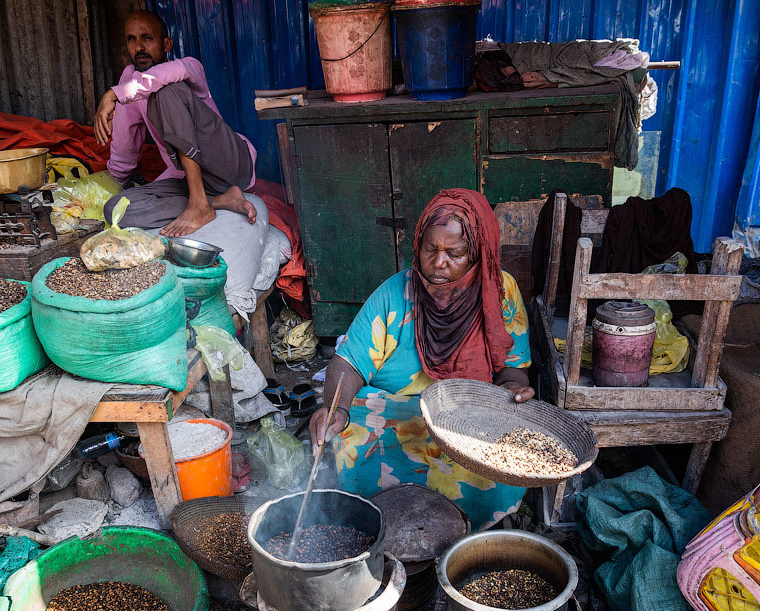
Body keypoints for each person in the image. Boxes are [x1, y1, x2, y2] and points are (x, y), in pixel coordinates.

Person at [309, 189, 534, 528]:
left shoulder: (502, 293)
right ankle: (386, 520)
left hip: (470, 418)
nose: (439, 261)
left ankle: (468, 527)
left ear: (477, 252)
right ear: (418, 245)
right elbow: (349, 361)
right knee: (354, 423)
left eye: (454, 253)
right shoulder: (394, 292)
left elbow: (513, 369)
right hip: (398, 413)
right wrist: (336, 408)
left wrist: (514, 392)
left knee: (511, 445)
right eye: (431, 249)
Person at [95, 10, 257, 236]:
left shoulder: (189, 67)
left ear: (167, 44)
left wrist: (112, 94)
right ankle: (217, 201)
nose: (139, 47)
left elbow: (159, 77)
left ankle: (200, 204)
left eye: (147, 38)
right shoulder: (129, 81)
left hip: (230, 163)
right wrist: (105, 184)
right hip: (188, 178)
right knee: (116, 209)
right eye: (131, 39)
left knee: (166, 90)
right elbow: (125, 144)